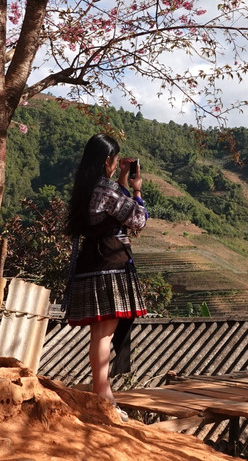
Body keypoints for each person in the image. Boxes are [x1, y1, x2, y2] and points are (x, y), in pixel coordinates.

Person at [63, 134, 148, 421]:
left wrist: (122, 179)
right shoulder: (107, 190)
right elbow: (137, 219)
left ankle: (103, 391)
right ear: (106, 161)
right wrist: (137, 190)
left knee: (99, 333)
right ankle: (103, 395)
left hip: (91, 261)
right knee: (104, 333)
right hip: (110, 263)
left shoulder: (86, 189)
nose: (115, 166)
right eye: (115, 161)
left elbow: (111, 211)